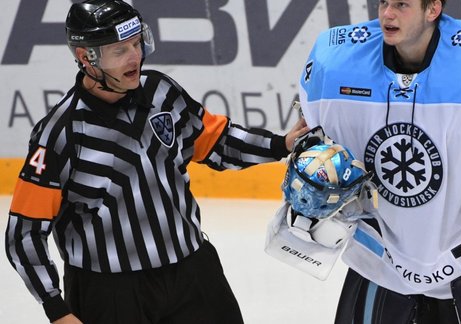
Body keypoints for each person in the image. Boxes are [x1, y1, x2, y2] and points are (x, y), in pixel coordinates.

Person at [4, 1, 308, 323]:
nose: (135, 56)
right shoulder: (59, 134)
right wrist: (57, 309)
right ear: (86, 58)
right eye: (119, 51)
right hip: (110, 294)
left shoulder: (161, 92)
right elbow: (24, 231)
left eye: (136, 43)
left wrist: (280, 144)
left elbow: (215, 141)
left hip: (193, 273)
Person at [296, 0, 461, 323]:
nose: (387, 14)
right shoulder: (335, 61)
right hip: (382, 262)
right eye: (383, 2)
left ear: (433, 9)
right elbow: (314, 136)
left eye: (401, 4)